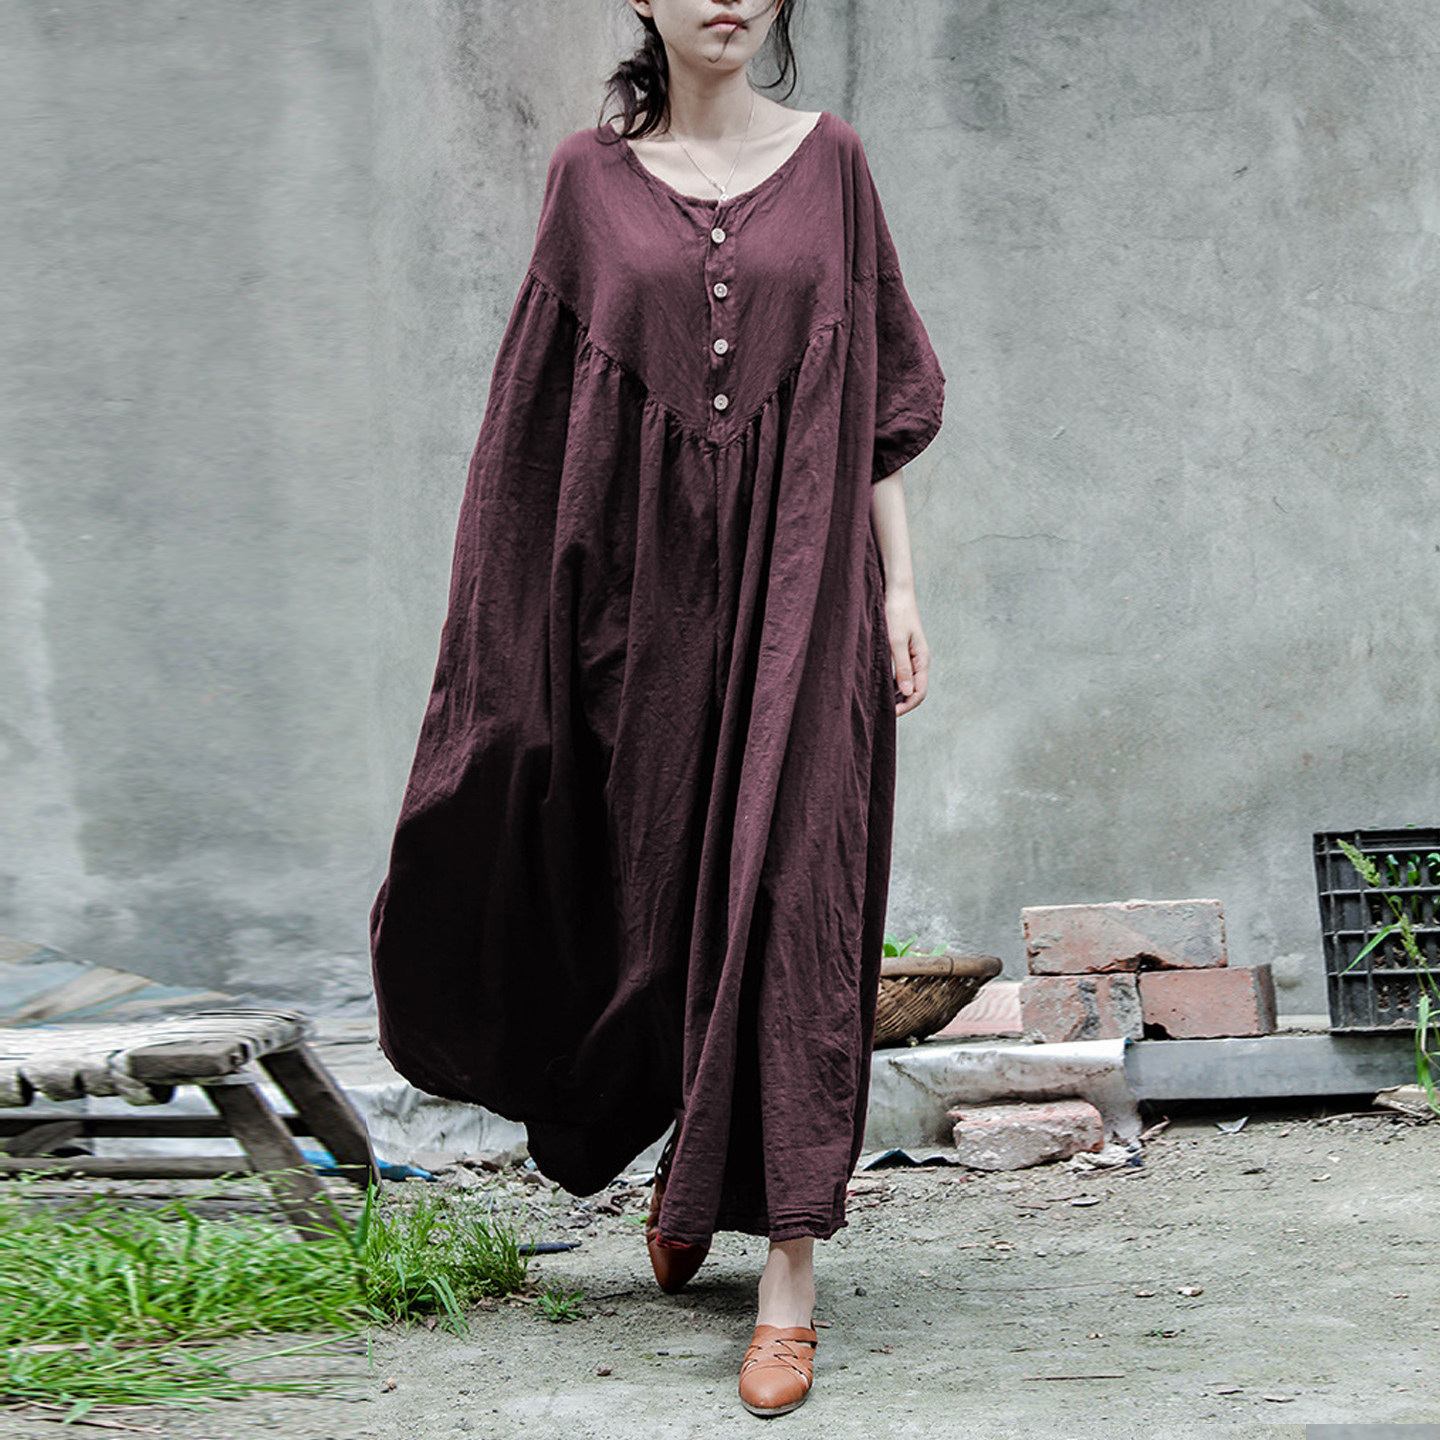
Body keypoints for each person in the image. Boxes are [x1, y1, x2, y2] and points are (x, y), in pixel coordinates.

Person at [369, 0, 945, 1418]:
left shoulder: (837, 162)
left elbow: (871, 395)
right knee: (655, 885)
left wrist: (898, 588)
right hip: (640, 599)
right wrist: (520, 628)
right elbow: (534, 423)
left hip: (805, 578)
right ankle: (693, 1161)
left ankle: (790, 1271)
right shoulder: (586, 179)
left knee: (794, 892)